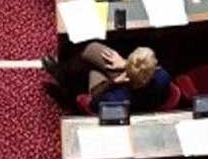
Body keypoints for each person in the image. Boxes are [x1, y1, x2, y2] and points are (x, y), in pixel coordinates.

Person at [43, 42, 172, 112]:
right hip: (134, 89)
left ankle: (62, 76)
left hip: (107, 92)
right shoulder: (163, 77)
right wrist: (124, 63)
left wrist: (113, 83)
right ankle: (67, 70)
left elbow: (93, 103)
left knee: (92, 70)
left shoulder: (115, 98)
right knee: (92, 51)